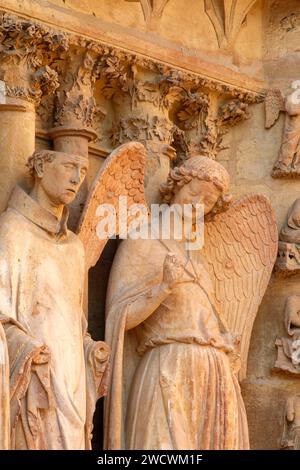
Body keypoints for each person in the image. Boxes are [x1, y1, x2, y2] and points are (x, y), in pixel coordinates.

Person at [104, 155, 249, 450]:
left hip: (213, 373)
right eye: (193, 193)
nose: (197, 205)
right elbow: (120, 317)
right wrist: (163, 288)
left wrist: (224, 338)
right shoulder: (143, 239)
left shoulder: (197, 254)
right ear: (175, 188)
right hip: (168, 367)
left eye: (207, 202)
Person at [0, 149, 110, 450]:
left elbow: (74, 322)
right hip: (37, 372)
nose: (77, 179)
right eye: (68, 167)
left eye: (84, 172)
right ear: (40, 167)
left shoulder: (74, 247)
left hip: (72, 373)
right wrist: (27, 349)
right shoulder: (12, 230)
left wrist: (90, 349)